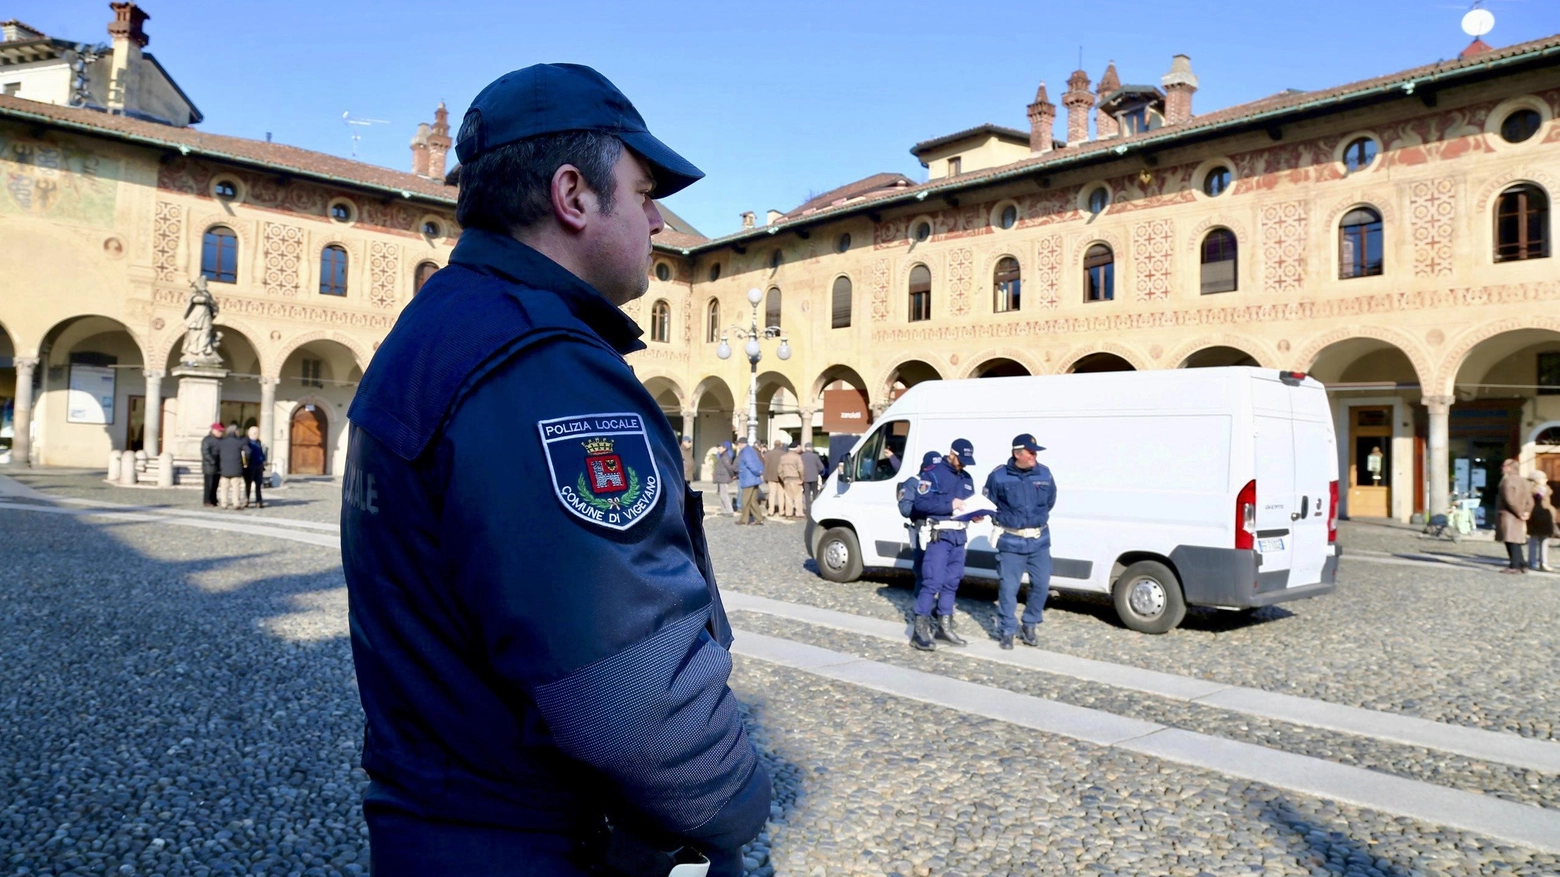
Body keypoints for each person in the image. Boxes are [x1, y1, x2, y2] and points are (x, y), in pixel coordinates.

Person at [339, 63, 769, 876]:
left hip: (441, 821)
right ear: (573, 195)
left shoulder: (436, 332)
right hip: (532, 841)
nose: (659, 220)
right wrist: (737, 799)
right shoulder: (538, 367)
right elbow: (629, 693)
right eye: (643, 193)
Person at [984, 434, 1057, 649]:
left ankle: (1030, 624)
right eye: (1031, 452)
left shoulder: (1044, 473)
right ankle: (1007, 629)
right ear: (1017, 454)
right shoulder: (998, 476)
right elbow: (989, 503)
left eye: (1035, 452)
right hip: (1011, 542)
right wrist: (1006, 521)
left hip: (1039, 541)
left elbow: (1050, 501)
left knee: (1042, 585)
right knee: (1008, 588)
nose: (1035, 456)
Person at [907, 439, 979, 651]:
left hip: (959, 536)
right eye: (961, 460)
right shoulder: (933, 474)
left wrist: (975, 514)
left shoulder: (966, 478)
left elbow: (968, 503)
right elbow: (921, 504)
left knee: (952, 581)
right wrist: (949, 505)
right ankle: (919, 630)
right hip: (939, 534)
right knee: (932, 581)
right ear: (951, 454)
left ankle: (943, 627)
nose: (963, 465)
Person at [1497, 458, 1533, 574]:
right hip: (1519, 515)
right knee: (1516, 541)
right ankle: (1522, 563)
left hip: (1509, 515)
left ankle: (1514, 565)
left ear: (1509, 468)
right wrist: (1527, 511)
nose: (1502, 468)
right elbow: (1530, 500)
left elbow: (1510, 500)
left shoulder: (1507, 481)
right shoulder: (1524, 481)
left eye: (1503, 466)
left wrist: (1519, 513)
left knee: (1510, 540)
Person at [1527, 470, 1555, 572]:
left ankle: (1544, 562)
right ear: (1536, 479)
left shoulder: (1547, 489)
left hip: (1546, 517)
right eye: (1543, 478)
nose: (1546, 480)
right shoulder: (1531, 489)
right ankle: (1532, 561)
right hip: (1535, 517)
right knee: (1533, 540)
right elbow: (1537, 497)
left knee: (1545, 540)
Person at [217, 423, 248, 510]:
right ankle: (236, 503)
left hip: (224, 467)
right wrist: (245, 462)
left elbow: (216, 453)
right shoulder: (239, 442)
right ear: (235, 432)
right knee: (236, 486)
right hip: (236, 467)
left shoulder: (222, 442)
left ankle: (224, 503)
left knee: (224, 487)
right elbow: (248, 451)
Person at [736, 436, 766, 526]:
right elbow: (759, 463)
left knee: (745, 500)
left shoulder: (745, 452)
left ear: (741, 444)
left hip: (748, 479)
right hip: (754, 479)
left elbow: (750, 464)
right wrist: (760, 472)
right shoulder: (752, 450)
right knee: (753, 500)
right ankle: (759, 518)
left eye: (738, 444)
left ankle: (744, 519)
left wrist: (757, 472)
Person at [199, 422, 224, 507]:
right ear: (213, 430)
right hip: (209, 466)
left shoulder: (221, 440)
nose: (220, 433)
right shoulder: (207, 440)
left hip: (219, 465)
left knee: (215, 485)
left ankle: (214, 499)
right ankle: (207, 500)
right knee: (209, 485)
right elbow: (205, 452)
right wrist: (212, 461)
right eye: (219, 431)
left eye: (221, 431)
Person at [243, 425, 267, 509]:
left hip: (258, 466)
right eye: (257, 433)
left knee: (258, 485)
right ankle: (246, 500)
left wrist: (263, 460)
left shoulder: (258, 442)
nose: (258, 434)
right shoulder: (246, 442)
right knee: (248, 485)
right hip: (250, 466)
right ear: (252, 433)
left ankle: (259, 501)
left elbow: (261, 453)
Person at [779, 443, 805, 520]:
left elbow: (779, 470)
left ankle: (788, 513)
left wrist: (783, 478)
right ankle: (798, 513)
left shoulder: (783, 457)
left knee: (788, 497)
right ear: (796, 448)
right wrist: (802, 478)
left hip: (787, 479)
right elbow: (801, 469)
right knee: (798, 497)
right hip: (796, 479)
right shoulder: (797, 457)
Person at [713, 440, 738, 516]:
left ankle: (729, 511)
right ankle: (724, 511)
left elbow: (729, 467)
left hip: (724, 477)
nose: (719, 449)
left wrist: (732, 475)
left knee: (724, 495)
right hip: (722, 477)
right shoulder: (723, 456)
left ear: (725, 448)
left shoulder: (725, 457)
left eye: (720, 448)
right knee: (722, 495)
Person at [764, 439, 786, 517]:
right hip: (781, 478)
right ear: (780, 445)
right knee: (781, 495)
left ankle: (771, 511)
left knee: (771, 494)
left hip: (771, 476)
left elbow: (765, 467)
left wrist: (765, 477)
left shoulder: (768, 454)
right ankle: (781, 511)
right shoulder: (784, 454)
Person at [801, 444, 824, 515]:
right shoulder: (815, 456)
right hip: (814, 477)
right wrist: (817, 471)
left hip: (805, 477)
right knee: (815, 492)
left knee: (806, 493)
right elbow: (821, 467)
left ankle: (808, 508)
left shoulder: (801, 456)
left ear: (805, 448)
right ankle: (814, 507)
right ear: (811, 448)